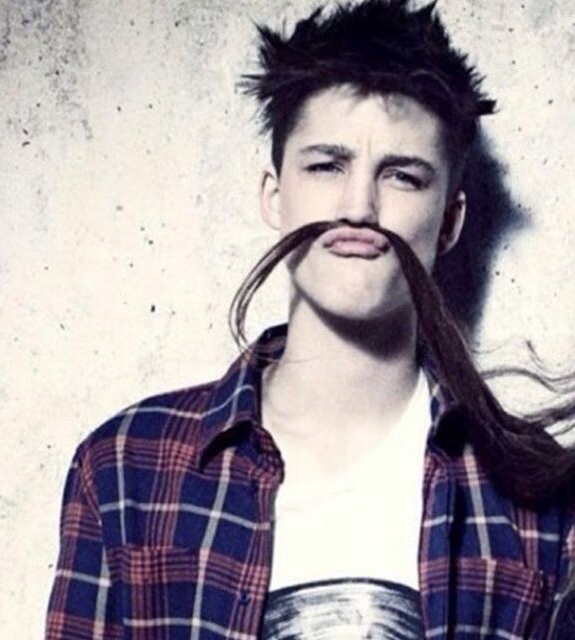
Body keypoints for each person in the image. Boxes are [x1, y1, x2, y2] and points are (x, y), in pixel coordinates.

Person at [45, 1, 575, 638]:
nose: (359, 207)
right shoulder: (127, 469)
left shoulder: (536, 498)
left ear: (451, 221)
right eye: (327, 166)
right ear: (274, 196)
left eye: (403, 177)